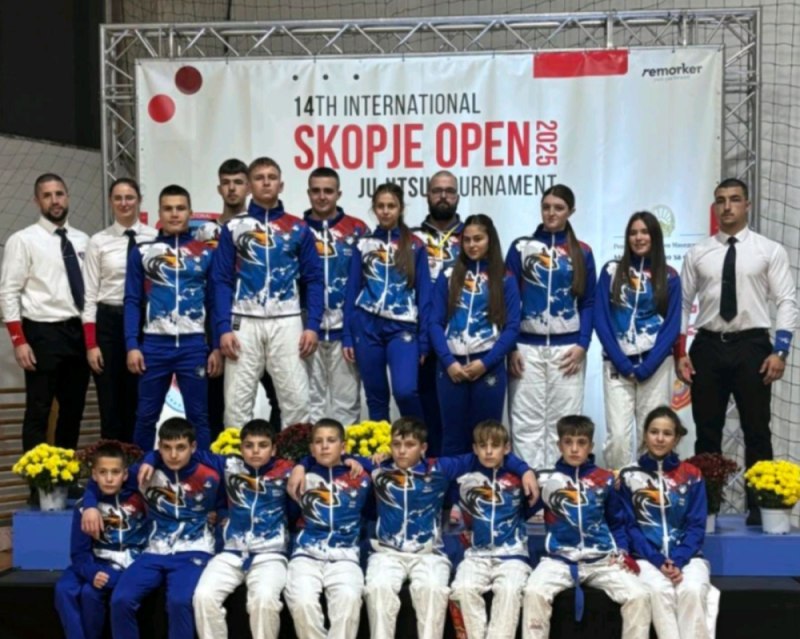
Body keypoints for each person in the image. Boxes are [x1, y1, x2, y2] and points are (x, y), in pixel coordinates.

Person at [675, 178, 799, 523]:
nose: (727, 206)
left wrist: (781, 351)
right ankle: (707, 513)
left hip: (753, 346)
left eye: (734, 199)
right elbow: (682, 304)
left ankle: (762, 512)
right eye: (721, 200)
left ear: (747, 204)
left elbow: (787, 301)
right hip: (708, 346)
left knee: (757, 430)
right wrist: (679, 352)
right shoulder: (698, 253)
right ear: (715, 206)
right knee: (706, 432)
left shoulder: (769, 250)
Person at [363, 417, 537, 639]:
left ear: (423, 448)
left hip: (428, 554)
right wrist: (345, 461)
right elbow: (340, 459)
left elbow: (485, 455)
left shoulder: (440, 469)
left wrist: (525, 470)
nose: (402, 451)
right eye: (396, 445)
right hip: (387, 553)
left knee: (433, 590)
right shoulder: (378, 469)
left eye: (410, 445)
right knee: (378, 589)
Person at [81, 418, 226, 639]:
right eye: (167, 448)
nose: (173, 455)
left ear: (193, 447)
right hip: (153, 550)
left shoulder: (211, 472)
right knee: (121, 599)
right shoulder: (144, 472)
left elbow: (226, 501)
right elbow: (102, 478)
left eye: (180, 448)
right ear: (159, 447)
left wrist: (222, 528)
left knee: (179, 601)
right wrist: (90, 505)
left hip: (195, 549)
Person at [211, 157, 323, 428]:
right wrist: (223, 328)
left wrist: (312, 326)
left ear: (281, 185)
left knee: (297, 401)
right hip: (243, 321)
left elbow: (314, 280)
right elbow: (221, 281)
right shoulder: (233, 228)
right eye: (259, 178)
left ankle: (294, 456)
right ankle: (237, 455)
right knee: (236, 402)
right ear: (250, 186)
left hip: (288, 320)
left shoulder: (299, 229)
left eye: (272, 177)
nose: (266, 182)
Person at [522, 415, 650, 639]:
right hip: (559, 560)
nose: (574, 449)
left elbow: (616, 522)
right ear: (559, 445)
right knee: (533, 592)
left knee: (639, 595)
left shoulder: (605, 480)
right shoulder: (546, 481)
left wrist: (621, 551)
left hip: (601, 560)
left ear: (590, 446)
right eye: (568, 442)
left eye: (581, 443)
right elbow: (519, 512)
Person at [173, 419, 293, 639]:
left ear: (274, 449)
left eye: (263, 445)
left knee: (264, 601)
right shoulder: (229, 465)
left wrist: (304, 467)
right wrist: (151, 460)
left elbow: (321, 463)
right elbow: (190, 453)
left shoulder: (286, 470)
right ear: (241, 448)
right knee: (203, 596)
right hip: (232, 552)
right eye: (249, 445)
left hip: (271, 553)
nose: (255, 451)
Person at [505, 184, 596, 470]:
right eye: (546, 207)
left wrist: (582, 345)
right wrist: (510, 347)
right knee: (525, 421)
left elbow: (589, 302)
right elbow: (507, 301)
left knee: (566, 423)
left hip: (568, 348)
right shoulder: (521, 248)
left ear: (571, 211)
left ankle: (560, 483)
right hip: (525, 347)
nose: (551, 213)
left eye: (558, 208)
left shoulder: (582, 252)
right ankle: (529, 485)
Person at [125, 185, 220, 451]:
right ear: (159, 213)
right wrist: (132, 345)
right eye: (168, 209)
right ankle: (141, 471)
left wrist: (215, 347)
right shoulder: (142, 252)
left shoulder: (205, 253)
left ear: (190, 212)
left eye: (180, 208)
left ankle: (202, 470)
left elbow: (214, 303)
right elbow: (131, 300)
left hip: (193, 346)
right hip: (154, 346)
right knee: (145, 417)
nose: (174, 214)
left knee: (199, 417)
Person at [0, 173, 90, 452]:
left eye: (59, 194)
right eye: (47, 195)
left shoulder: (84, 240)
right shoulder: (23, 240)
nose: (55, 200)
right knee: (38, 410)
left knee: (73, 410)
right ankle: (37, 477)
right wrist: (18, 340)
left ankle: (65, 472)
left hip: (77, 332)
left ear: (67, 197)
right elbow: (8, 291)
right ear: (37, 201)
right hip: (42, 331)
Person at [196, 159, 282, 437]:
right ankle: (223, 456)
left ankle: (269, 451)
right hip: (217, 322)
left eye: (238, 183)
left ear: (248, 187)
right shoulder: (204, 232)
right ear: (219, 188)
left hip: (259, 320)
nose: (232, 189)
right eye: (226, 183)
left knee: (280, 395)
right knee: (218, 400)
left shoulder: (263, 228)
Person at [618, 406, 720, 639]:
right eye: (654, 432)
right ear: (645, 435)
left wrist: (679, 559)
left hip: (689, 557)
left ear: (676, 439)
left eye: (667, 433)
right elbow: (630, 527)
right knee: (658, 591)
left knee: (692, 590)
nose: (660, 438)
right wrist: (657, 560)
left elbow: (696, 525)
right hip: (646, 558)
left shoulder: (692, 475)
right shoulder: (628, 476)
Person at [594, 211, 681, 468]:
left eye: (644, 232)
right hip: (617, 365)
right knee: (618, 438)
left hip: (655, 366)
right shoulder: (611, 271)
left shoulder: (670, 276)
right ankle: (620, 487)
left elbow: (672, 326)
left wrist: (648, 366)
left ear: (654, 236)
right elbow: (601, 318)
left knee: (653, 435)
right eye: (633, 233)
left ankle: (649, 486)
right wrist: (622, 363)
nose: (638, 237)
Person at [430, 214, 520, 455]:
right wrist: (448, 362)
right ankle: (452, 481)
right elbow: (434, 323)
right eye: (467, 240)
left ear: (490, 240)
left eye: (478, 239)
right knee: (452, 437)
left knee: (487, 439)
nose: (471, 245)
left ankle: (484, 481)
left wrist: (486, 363)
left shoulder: (505, 278)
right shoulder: (448, 275)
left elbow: (512, 328)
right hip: (451, 367)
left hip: (488, 366)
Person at [343, 182, 431, 421]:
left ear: (400, 208)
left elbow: (424, 295)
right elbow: (352, 291)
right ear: (374, 208)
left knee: (405, 391)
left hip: (402, 326)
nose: (385, 211)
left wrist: (424, 341)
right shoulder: (363, 244)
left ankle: (417, 440)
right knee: (376, 396)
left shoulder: (415, 245)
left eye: (391, 206)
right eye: (380, 206)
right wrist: (348, 335)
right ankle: (380, 443)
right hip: (366, 325)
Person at [82, 178, 158, 442]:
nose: (124, 203)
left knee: (140, 400)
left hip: (144, 323)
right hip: (109, 323)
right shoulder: (98, 241)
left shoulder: (154, 238)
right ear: (111, 202)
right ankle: (113, 464)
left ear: (139, 200)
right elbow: (89, 295)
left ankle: (138, 462)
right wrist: (91, 344)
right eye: (118, 198)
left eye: (129, 197)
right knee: (110, 402)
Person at [283, 419, 372, 639]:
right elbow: (290, 516)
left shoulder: (361, 477)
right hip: (306, 554)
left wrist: (358, 460)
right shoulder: (301, 478)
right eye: (318, 442)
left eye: (331, 441)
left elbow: (389, 464)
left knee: (349, 600)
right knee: (302, 602)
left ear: (343, 446)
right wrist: (302, 465)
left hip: (345, 554)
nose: (324, 446)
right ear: (311, 448)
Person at [448, 420, 535, 639]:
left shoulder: (520, 479)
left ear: (506, 448)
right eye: (482, 446)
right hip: (476, 555)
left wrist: (524, 470)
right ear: (475, 449)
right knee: (462, 589)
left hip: (512, 555)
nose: (488, 451)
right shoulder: (464, 480)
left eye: (495, 446)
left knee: (509, 591)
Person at [54, 443, 148, 639]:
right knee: (63, 589)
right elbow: (79, 552)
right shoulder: (84, 507)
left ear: (125, 475)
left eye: (115, 472)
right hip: (95, 561)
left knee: (90, 593)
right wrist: (92, 572)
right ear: (94, 475)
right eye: (103, 472)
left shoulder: (140, 500)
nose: (109, 478)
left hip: (130, 563)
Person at [303, 167, 369, 425]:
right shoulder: (297, 230)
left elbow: (369, 281)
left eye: (328, 191)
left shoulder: (357, 230)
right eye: (316, 191)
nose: (322, 197)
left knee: (347, 404)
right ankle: (311, 451)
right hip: (307, 332)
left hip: (346, 333)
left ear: (338, 194)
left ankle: (346, 451)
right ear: (308, 193)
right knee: (310, 404)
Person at [412, 171, 464, 455]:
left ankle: (459, 466)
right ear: (427, 195)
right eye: (437, 190)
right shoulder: (412, 238)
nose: (443, 196)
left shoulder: (471, 237)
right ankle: (427, 464)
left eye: (449, 191)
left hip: (459, 333)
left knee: (458, 408)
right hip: (419, 332)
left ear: (457, 196)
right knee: (424, 403)